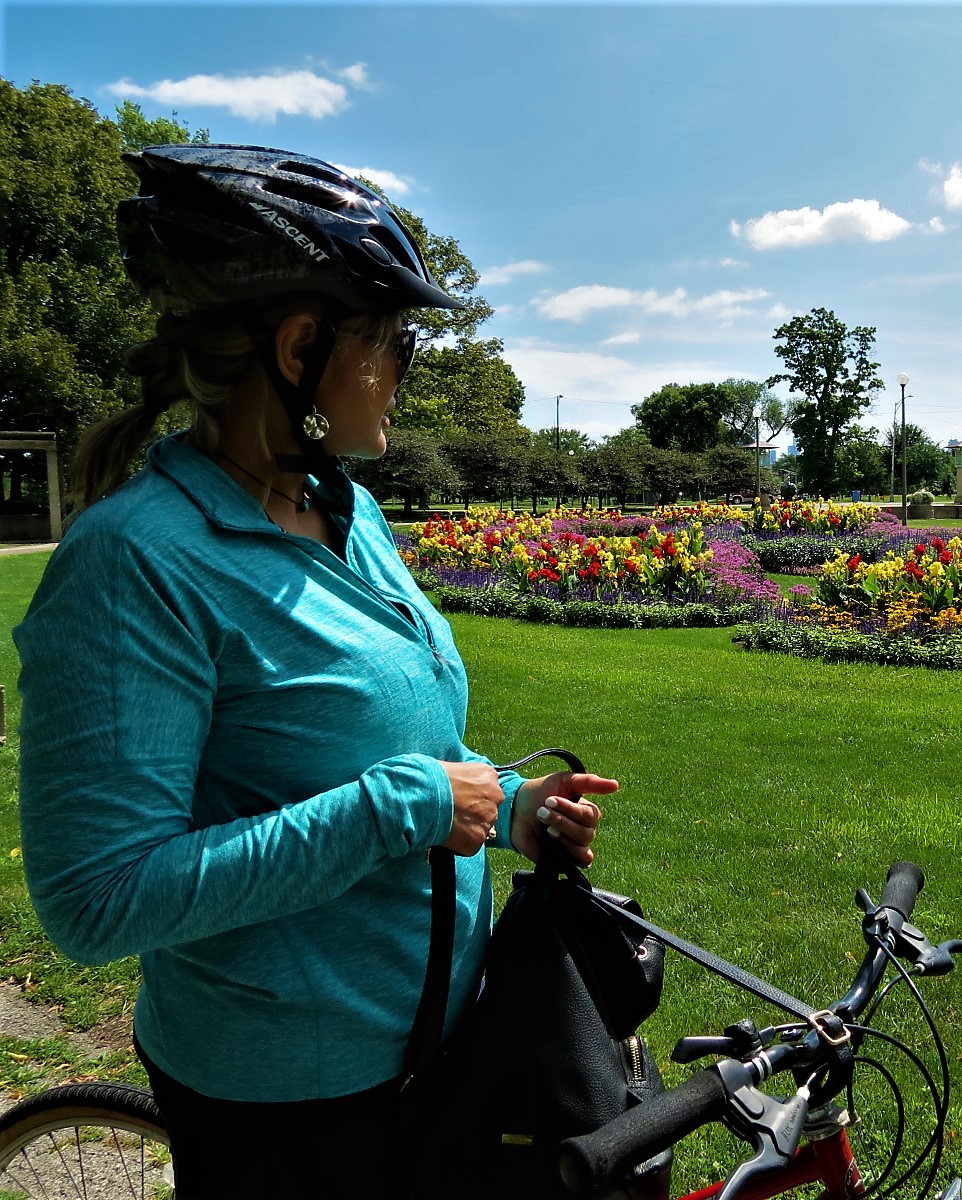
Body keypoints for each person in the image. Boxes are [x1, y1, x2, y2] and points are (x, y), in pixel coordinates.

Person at [13, 144, 613, 1198]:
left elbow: (394, 743)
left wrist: (508, 806)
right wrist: (409, 807)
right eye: (389, 341)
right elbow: (95, 899)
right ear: (299, 346)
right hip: (287, 1111)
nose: (401, 369)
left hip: (437, 1051)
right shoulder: (135, 562)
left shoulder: (348, 508)